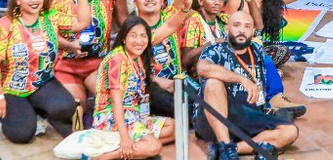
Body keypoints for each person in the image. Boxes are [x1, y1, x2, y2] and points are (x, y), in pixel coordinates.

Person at [0, 0, 90, 143]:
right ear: (17, 0)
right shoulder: (4, 25)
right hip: (11, 89)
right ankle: (20, 114)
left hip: (41, 82)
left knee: (66, 107)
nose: (34, 0)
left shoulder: (50, 18)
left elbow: (83, 22)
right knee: (22, 134)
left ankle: (36, 110)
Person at [196, 10, 299, 159]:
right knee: (213, 83)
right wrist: (241, 79)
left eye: (247, 26)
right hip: (216, 116)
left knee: (290, 131)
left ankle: (230, 149)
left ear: (252, 31)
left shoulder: (257, 50)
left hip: (247, 116)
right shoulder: (216, 50)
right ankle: (225, 144)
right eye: (236, 25)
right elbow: (202, 68)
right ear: (227, 29)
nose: (242, 30)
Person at [91, 16, 175, 159]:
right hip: (112, 117)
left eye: (143, 36)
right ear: (124, 38)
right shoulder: (117, 59)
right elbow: (116, 102)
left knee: (173, 127)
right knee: (154, 147)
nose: (139, 41)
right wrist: (124, 138)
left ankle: (133, 148)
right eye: (133, 36)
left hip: (134, 114)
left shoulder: (137, 58)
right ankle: (105, 156)